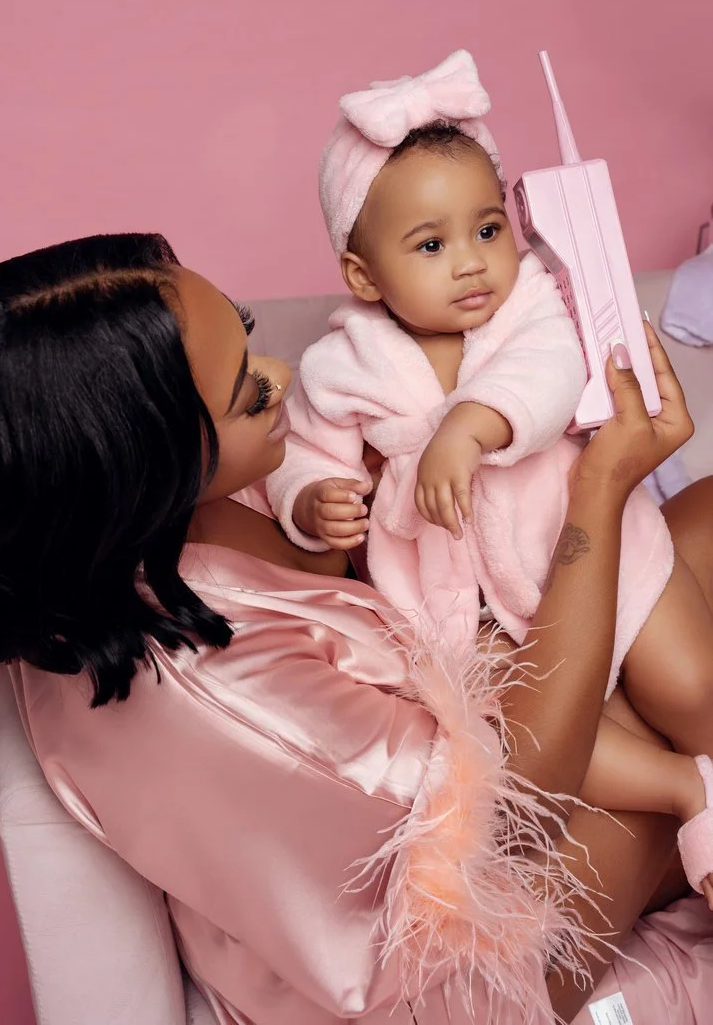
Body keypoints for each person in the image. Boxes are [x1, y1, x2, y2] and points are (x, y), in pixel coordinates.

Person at [0, 231, 703, 1023]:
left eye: (249, 342)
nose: (282, 377)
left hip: (423, 819)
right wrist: (599, 493)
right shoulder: (212, 689)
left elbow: (323, 579)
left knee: (695, 528)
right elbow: (511, 807)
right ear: (139, 469)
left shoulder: (130, 542)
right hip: (454, 967)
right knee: (672, 689)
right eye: (247, 393)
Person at [266, 50, 713, 901]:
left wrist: (469, 425)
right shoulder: (342, 363)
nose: (472, 262)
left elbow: (552, 371)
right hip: (465, 606)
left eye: (487, 229)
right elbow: (305, 451)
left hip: (596, 549)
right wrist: (310, 500)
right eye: (432, 244)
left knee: (692, 682)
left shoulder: (530, 304)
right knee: (523, 736)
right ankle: (687, 790)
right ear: (364, 275)